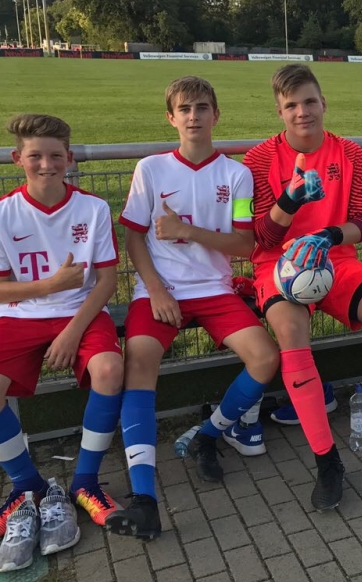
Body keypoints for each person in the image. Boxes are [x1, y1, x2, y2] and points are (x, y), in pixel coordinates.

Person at [244, 64, 362, 512]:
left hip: (336, 259)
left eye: (310, 101)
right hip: (279, 264)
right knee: (292, 333)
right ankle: (327, 460)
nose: (302, 112)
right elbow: (262, 237)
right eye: (291, 105)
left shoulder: (348, 152)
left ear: (323, 103)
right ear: (279, 111)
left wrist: (328, 236)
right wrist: (290, 201)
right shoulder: (259, 159)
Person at [107, 77, 280, 540]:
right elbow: (134, 238)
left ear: (216, 115)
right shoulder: (151, 169)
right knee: (138, 362)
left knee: (266, 357)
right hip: (161, 291)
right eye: (184, 109)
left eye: (202, 107)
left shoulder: (236, 175)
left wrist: (188, 231)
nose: (193, 116)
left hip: (215, 290)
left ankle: (208, 433)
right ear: (171, 117)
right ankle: (145, 500)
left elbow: (244, 245)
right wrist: (156, 290)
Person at [0, 113, 124, 571]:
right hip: (20, 315)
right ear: (17, 158)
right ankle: (27, 487)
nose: (46, 164)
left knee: (110, 369)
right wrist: (51, 285)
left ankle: (86, 482)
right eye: (35, 155)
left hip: (81, 312)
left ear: (69, 158)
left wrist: (72, 330)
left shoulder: (92, 208)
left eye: (55, 155)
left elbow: (106, 281)